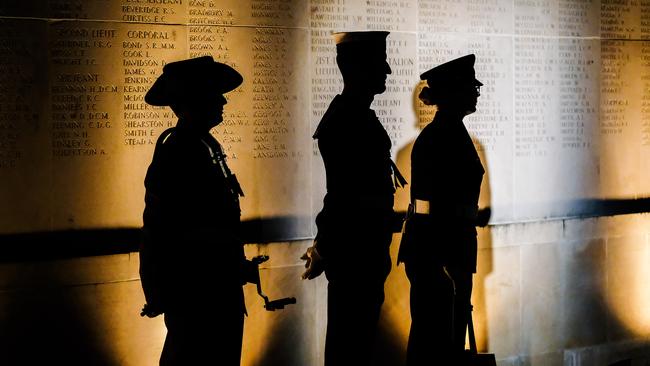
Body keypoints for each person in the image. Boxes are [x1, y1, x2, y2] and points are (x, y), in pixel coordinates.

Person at [139, 56, 254, 366]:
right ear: (192, 100)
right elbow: (162, 230)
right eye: (213, 93)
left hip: (215, 288)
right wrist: (157, 289)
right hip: (197, 294)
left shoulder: (204, 147)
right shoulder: (178, 152)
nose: (223, 100)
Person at [301, 31, 406, 365]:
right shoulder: (345, 121)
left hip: (364, 251)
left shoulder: (356, 116)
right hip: (355, 252)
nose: (387, 70)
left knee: (357, 344)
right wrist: (326, 244)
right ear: (356, 68)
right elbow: (343, 197)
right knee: (349, 348)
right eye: (379, 63)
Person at [398, 54, 490, 365]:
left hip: (452, 252)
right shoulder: (439, 138)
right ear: (453, 93)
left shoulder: (452, 133)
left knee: (447, 340)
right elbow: (432, 210)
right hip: (439, 256)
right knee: (434, 342)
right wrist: (447, 265)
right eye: (470, 87)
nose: (477, 92)